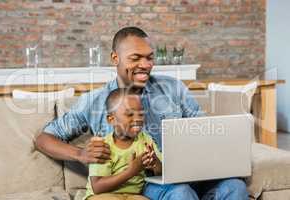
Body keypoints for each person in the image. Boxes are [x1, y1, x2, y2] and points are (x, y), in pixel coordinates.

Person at [36, 26, 249, 200]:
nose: (145, 65)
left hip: (189, 173)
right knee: (180, 193)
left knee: (235, 187)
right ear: (115, 58)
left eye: (149, 58)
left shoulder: (172, 88)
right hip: (146, 183)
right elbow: (44, 139)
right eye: (136, 58)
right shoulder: (95, 101)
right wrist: (80, 154)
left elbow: (203, 129)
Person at [84, 88, 162, 200]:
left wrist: (156, 163)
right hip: (102, 196)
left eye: (140, 114)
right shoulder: (102, 146)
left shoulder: (146, 140)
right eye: (130, 114)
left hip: (135, 196)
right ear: (112, 120)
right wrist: (131, 172)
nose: (137, 119)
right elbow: (97, 187)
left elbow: (161, 173)